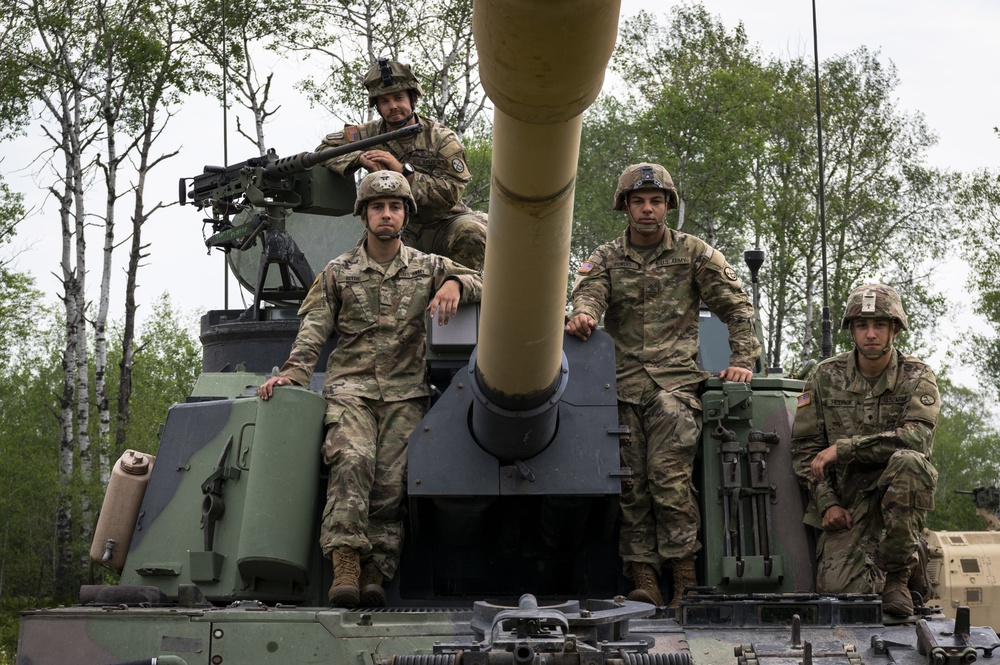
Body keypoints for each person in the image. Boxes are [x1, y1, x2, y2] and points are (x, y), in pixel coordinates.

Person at [257, 170, 483, 608]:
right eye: (377, 207)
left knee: (391, 485)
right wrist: (293, 373)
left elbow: (482, 280)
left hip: (406, 394)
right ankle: (345, 561)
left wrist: (456, 283)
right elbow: (314, 329)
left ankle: (376, 570)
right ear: (363, 215)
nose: (386, 214)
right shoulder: (339, 271)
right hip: (351, 391)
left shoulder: (428, 266)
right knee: (352, 461)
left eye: (394, 207)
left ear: (405, 214)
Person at [565, 162, 760, 610]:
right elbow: (589, 293)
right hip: (622, 386)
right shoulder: (608, 256)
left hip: (674, 385)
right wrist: (585, 315)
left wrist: (742, 361)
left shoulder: (695, 254)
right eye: (639, 201)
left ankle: (685, 579)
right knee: (631, 485)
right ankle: (644, 578)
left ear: (668, 206)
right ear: (625, 207)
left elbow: (737, 307)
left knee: (668, 480)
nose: (648, 209)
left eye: (656, 201)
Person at [791, 284, 939, 617]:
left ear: (895, 329)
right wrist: (826, 503)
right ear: (852, 331)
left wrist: (844, 449)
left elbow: (916, 438)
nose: (870, 334)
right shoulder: (824, 376)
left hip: (897, 491)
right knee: (839, 596)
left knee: (911, 462)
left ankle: (899, 576)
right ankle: (901, 557)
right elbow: (804, 451)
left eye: (880, 325)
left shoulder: (917, 376)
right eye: (861, 326)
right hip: (847, 501)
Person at [316, 57, 487, 270]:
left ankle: (458, 294)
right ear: (377, 106)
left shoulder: (441, 138)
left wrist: (402, 171)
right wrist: (358, 158)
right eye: (385, 101)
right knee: (367, 256)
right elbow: (324, 150)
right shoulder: (367, 134)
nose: (393, 106)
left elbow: (451, 192)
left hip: (446, 222)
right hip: (400, 224)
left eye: (398, 98)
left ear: (413, 100)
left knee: (472, 234)